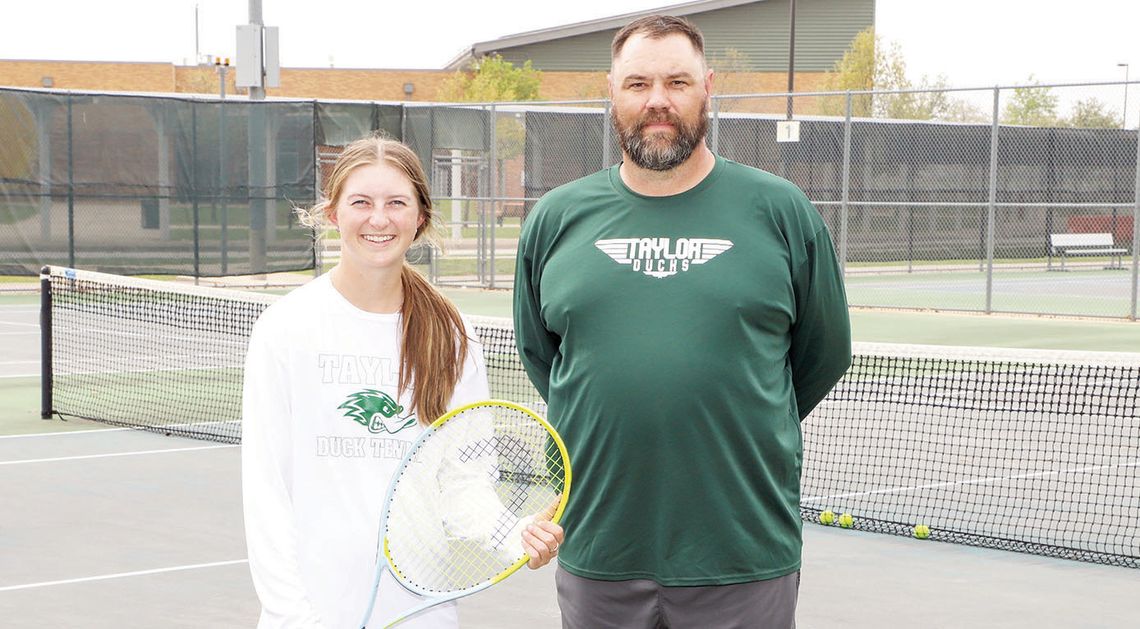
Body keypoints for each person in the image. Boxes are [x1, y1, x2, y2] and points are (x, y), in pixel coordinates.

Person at [512, 15, 852, 629]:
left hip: (741, 550)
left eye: (677, 81)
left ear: (708, 87)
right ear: (611, 93)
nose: (658, 101)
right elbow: (545, 357)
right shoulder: (556, 219)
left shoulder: (782, 211)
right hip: (597, 543)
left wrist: (733, 411)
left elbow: (823, 355)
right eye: (638, 84)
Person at [242, 135, 563, 629]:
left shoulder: (452, 336)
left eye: (396, 203)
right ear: (333, 214)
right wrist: (293, 616)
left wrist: (512, 534)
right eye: (361, 203)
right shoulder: (286, 328)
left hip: (419, 610)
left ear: (420, 217)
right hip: (311, 612)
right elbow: (267, 491)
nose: (379, 219)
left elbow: (463, 481)